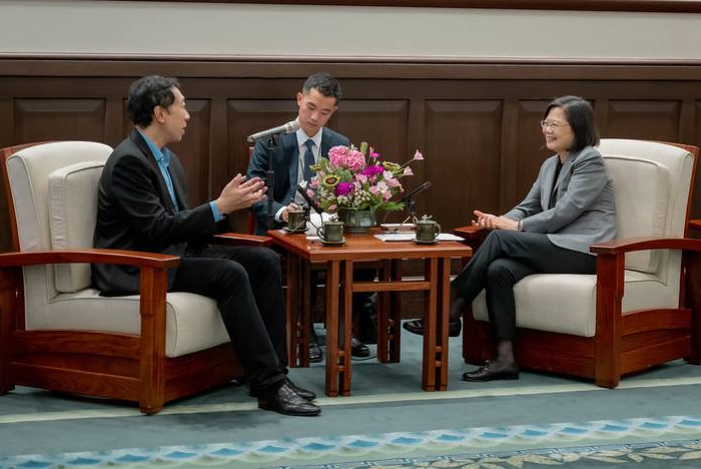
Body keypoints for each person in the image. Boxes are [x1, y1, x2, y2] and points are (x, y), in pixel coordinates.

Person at [93, 75, 320, 416]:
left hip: (171, 253)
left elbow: (177, 223)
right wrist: (219, 206)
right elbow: (156, 229)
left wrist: (225, 209)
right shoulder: (129, 161)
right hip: (138, 264)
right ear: (160, 114)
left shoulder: (167, 159)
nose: (187, 115)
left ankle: (276, 374)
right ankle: (268, 386)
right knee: (229, 273)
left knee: (264, 260)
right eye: (182, 106)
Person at [403, 95, 617, 382]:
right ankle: (505, 359)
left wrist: (513, 227)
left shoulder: (590, 160)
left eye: (555, 125)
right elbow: (528, 206)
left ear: (578, 127)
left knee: (500, 240)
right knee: (498, 270)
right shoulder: (550, 164)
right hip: (553, 246)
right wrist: (497, 220)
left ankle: (450, 309)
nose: (547, 130)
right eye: (545, 123)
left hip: (587, 250)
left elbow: (566, 211)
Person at [246, 72, 372, 362]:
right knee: (298, 259)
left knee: (363, 256)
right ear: (299, 99)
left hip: (325, 228)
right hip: (280, 229)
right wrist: (281, 211)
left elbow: (351, 190)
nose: (315, 117)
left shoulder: (340, 144)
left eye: (324, 112)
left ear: (333, 112)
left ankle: (344, 329)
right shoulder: (272, 141)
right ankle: (303, 330)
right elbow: (254, 190)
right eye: (310, 107)